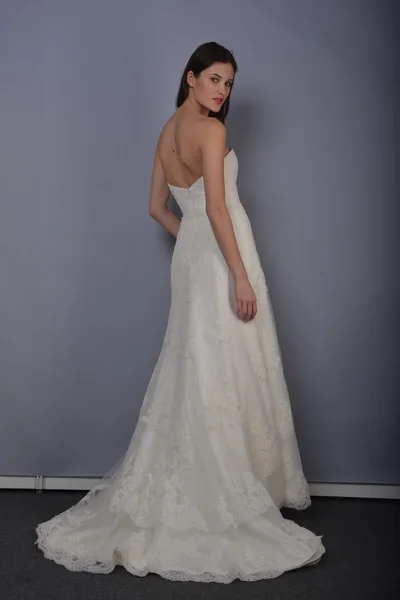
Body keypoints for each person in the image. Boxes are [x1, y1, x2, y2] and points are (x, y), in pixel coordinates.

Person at [35, 41, 325, 583]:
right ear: (190, 77)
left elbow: (156, 208)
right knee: (225, 363)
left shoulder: (167, 131)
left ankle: (215, 480)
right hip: (221, 258)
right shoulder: (212, 131)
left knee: (198, 365)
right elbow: (216, 207)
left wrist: (192, 240)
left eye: (229, 83)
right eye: (214, 79)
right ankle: (226, 491)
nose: (222, 91)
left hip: (196, 260)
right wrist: (238, 273)